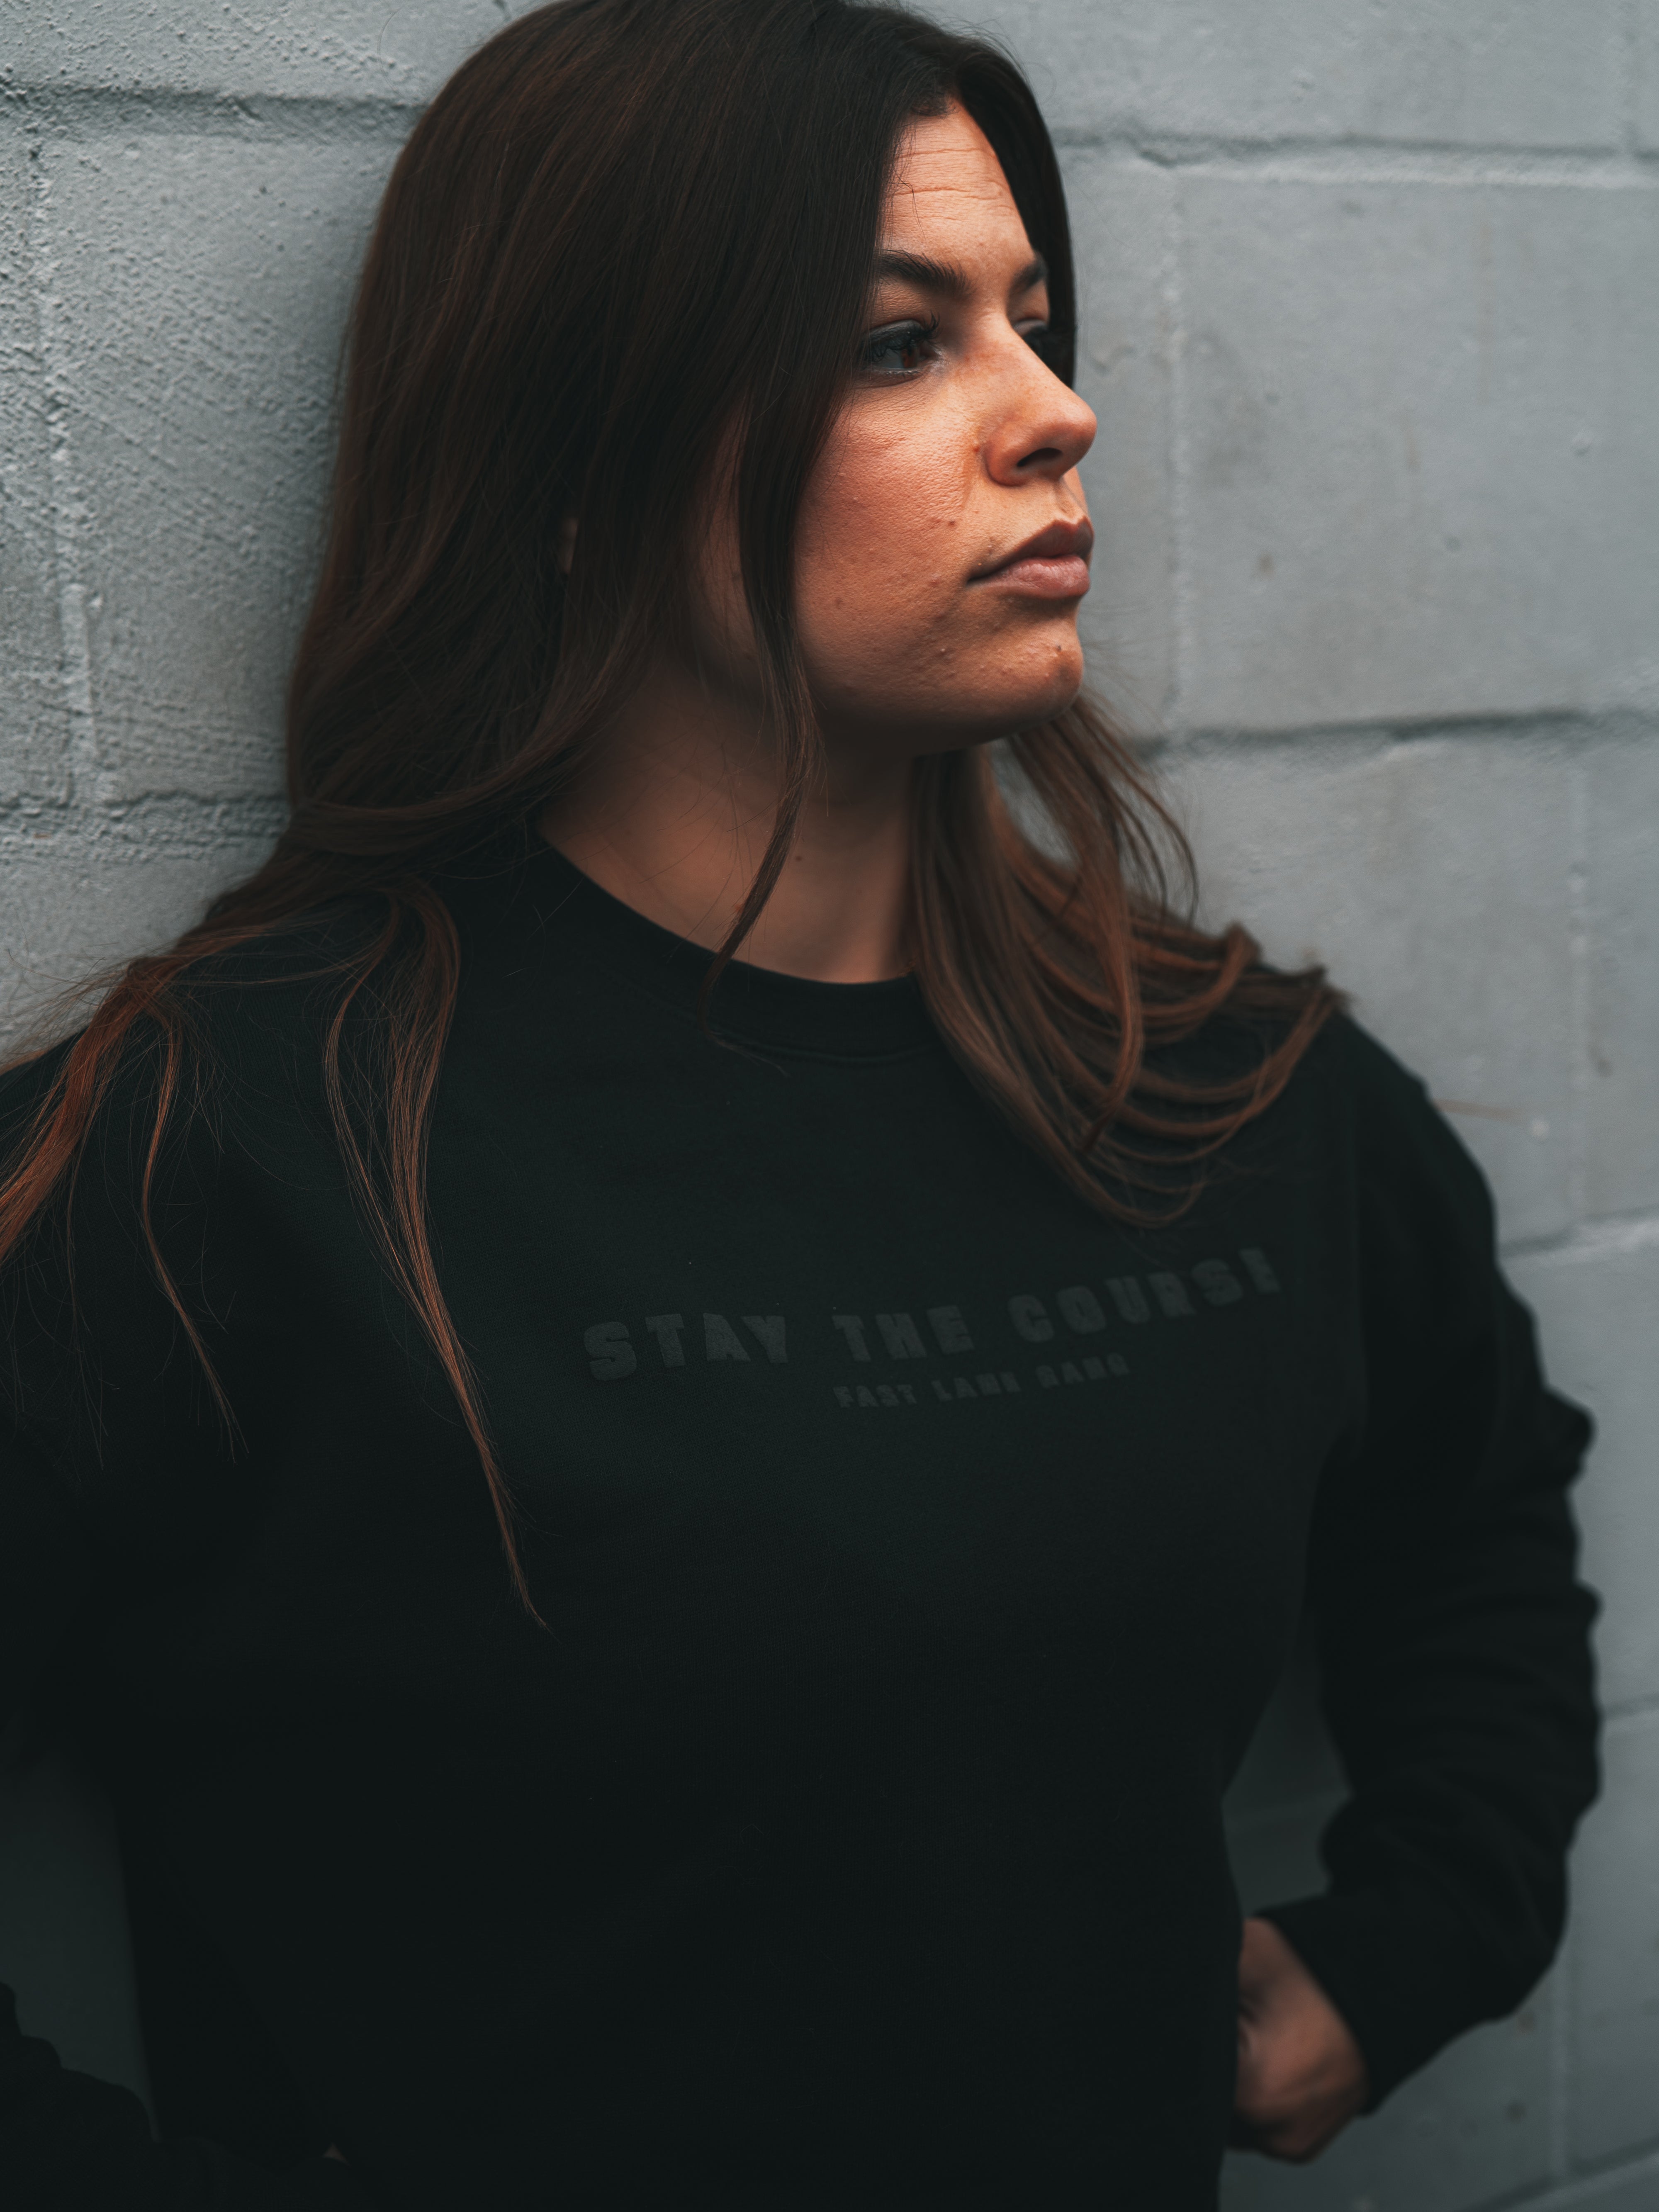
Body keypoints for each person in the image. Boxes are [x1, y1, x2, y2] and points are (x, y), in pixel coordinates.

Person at [0, 1, 1598, 2205]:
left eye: (1034, 321)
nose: (1060, 411)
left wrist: (1414, 1936)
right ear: (577, 462)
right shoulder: (229, 1148)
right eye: (897, 344)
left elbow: (1484, 1502)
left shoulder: (1225, 1083)